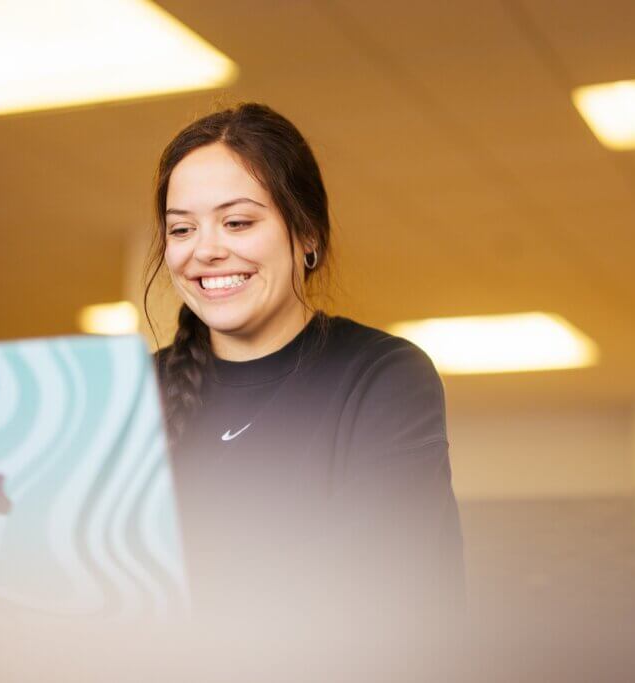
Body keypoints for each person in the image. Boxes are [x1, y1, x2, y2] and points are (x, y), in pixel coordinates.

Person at [142, 102, 465, 641]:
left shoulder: (381, 377)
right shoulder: (132, 397)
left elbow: (379, 608)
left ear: (307, 234)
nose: (205, 251)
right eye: (181, 229)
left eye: (237, 222)